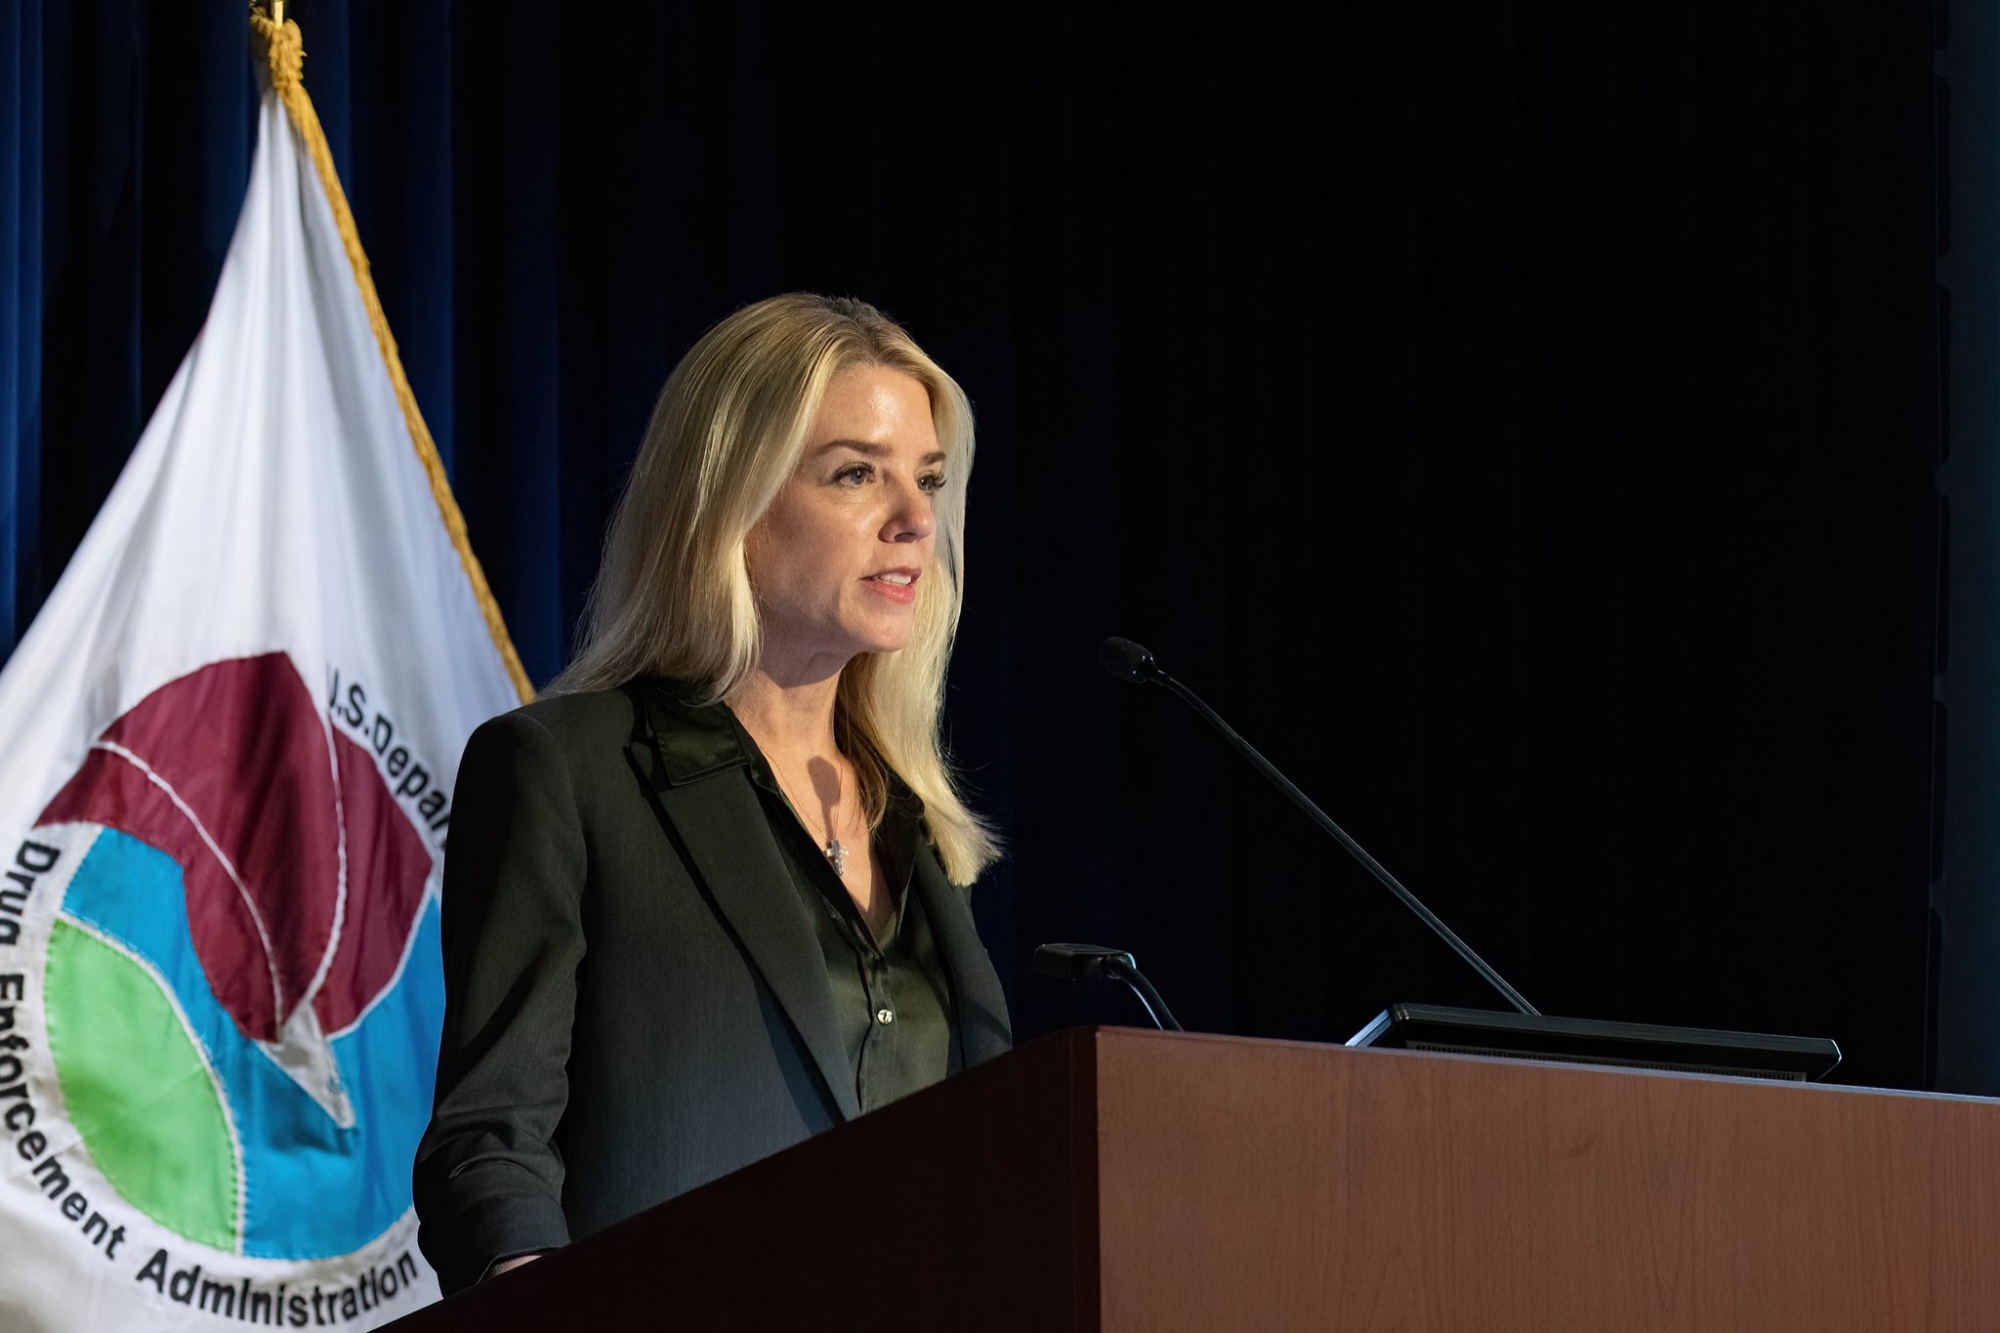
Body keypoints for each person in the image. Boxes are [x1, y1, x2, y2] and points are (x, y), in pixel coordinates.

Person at [411, 293, 1012, 1294]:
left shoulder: (911, 826)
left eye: (929, 479)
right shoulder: (568, 770)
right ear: (731, 500)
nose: (914, 519)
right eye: (857, 473)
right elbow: (491, 1137)